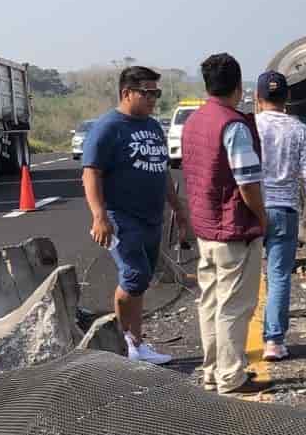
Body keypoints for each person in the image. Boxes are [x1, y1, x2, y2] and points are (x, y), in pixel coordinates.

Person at [82, 66, 191, 364]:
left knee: (141, 281)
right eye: (147, 92)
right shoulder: (108, 127)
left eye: (157, 92)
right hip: (121, 217)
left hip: (151, 218)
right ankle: (122, 340)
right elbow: (91, 172)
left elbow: (163, 170)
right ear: (126, 93)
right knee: (134, 275)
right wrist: (99, 216)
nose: (153, 98)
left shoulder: (154, 126)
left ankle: (137, 344)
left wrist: (179, 210)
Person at [180, 54, 268, 395]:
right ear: (237, 84)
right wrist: (263, 217)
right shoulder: (234, 126)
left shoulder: (194, 122)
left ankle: (212, 371)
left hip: (206, 228)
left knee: (211, 302)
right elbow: (247, 183)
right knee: (235, 305)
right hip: (234, 230)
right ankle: (231, 376)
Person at [255, 70, 306, 361]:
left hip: (253, 209)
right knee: (279, 275)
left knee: (247, 277)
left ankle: (234, 341)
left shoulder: (250, 126)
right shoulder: (298, 130)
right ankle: (274, 341)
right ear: (287, 98)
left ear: (258, 98)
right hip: (285, 210)